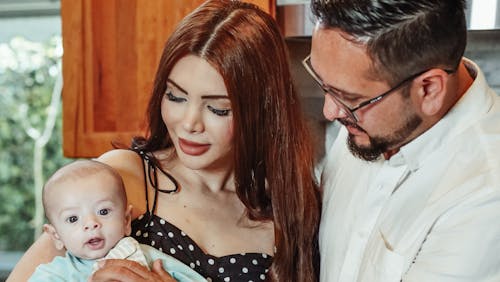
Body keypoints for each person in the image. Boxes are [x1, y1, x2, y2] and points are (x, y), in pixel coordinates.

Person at [8, 0, 321, 281]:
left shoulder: (289, 211)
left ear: (262, 110)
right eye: (175, 96)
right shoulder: (119, 179)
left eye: (217, 108)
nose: (188, 123)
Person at [306, 0, 500, 281]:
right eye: (324, 86)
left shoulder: (486, 193)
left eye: (349, 99)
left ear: (429, 89)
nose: (330, 111)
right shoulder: (366, 122)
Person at [29, 159, 206, 282]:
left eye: (103, 211)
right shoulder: (53, 274)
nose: (91, 223)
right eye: (73, 218)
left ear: (126, 220)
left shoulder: (150, 258)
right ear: (56, 236)